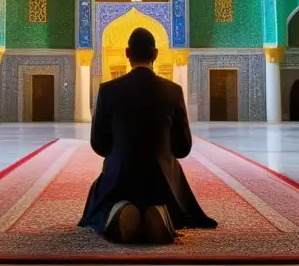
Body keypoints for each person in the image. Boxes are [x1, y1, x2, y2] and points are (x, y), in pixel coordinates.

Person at [79, 27, 216, 244]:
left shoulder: (107, 90)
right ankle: (161, 212)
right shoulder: (173, 91)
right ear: (155, 55)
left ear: (127, 53)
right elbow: (183, 149)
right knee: (174, 188)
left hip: (120, 179)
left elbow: (99, 145)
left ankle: (120, 210)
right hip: (161, 183)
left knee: (100, 196)